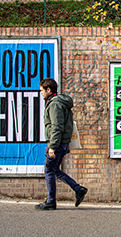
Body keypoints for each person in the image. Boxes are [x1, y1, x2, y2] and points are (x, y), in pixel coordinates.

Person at [35, 78, 88, 210]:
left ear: (48, 90)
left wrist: (52, 146)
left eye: (42, 90)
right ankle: (78, 189)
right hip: (62, 143)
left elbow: (57, 126)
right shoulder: (59, 102)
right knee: (54, 170)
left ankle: (51, 201)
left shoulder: (54, 105)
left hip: (57, 143)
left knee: (48, 170)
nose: (40, 93)